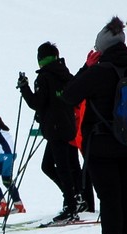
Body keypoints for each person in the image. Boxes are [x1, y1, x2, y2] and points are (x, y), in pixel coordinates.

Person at [62, 16, 127, 234]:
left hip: (102, 144)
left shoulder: (99, 72)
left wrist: (87, 67)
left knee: (110, 199)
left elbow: (69, 95)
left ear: (102, 47)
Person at [18, 42, 83, 222]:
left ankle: (70, 205)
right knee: (53, 166)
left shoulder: (44, 77)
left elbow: (36, 103)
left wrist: (24, 88)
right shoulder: (64, 74)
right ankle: (73, 198)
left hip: (55, 128)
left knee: (60, 168)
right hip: (68, 125)